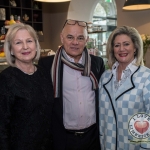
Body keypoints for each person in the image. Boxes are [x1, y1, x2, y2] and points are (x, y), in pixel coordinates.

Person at [38, 19, 105, 150]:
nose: (75, 42)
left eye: (80, 38)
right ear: (62, 38)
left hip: (93, 137)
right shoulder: (46, 65)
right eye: (70, 37)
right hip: (62, 139)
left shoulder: (97, 63)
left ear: (87, 40)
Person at [0, 23, 54, 150]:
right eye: (18, 43)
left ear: (36, 45)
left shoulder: (43, 73)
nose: (25, 47)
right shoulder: (5, 79)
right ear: (11, 49)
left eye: (29, 41)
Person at [99, 25, 150, 150]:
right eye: (117, 45)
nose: (121, 49)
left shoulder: (146, 77)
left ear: (135, 48)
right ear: (112, 49)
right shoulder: (105, 77)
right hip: (107, 144)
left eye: (126, 44)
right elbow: (101, 115)